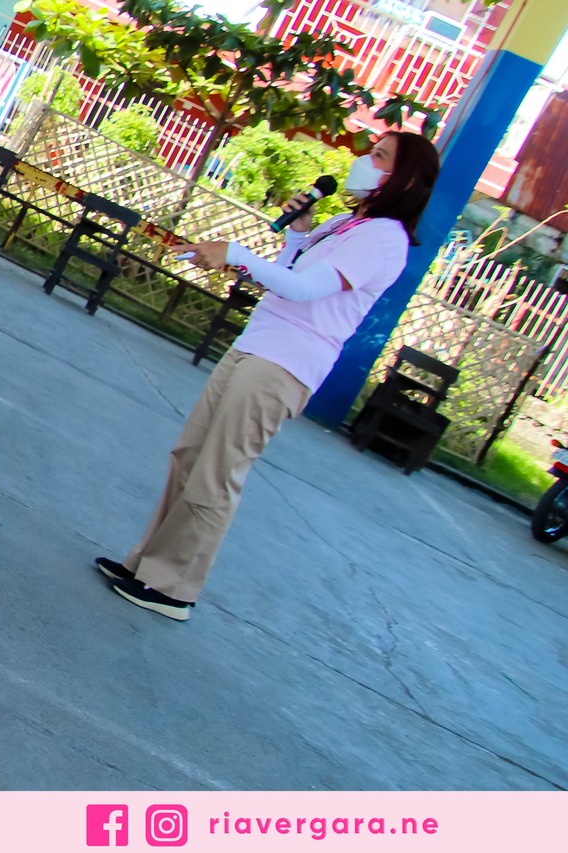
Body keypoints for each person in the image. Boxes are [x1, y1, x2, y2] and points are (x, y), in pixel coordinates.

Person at [99, 132, 438, 621]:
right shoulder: (346, 223)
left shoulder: (385, 240)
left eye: (379, 156)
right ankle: (146, 565)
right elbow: (287, 273)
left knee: (217, 473)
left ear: (403, 179)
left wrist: (235, 251)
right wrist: (299, 234)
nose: (365, 160)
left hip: (286, 364)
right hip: (255, 345)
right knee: (190, 456)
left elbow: (303, 290)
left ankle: (176, 588)